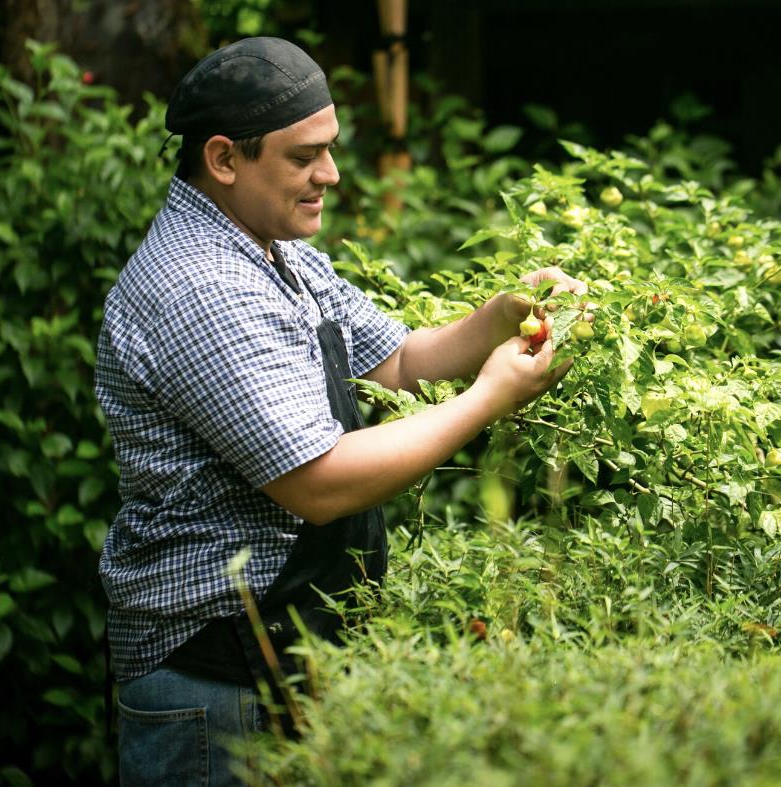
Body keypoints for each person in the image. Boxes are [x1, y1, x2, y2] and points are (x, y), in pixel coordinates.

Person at [94, 37, 587, 785]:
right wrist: (489, 396)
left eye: (328, 149)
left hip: (283, 656)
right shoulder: (200, 288)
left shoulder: (269, 247)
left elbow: (395, 361)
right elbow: (318, 482)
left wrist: (502, 316)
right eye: (303, 157)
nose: (328, 174)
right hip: (214, 682)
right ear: (224, 159)